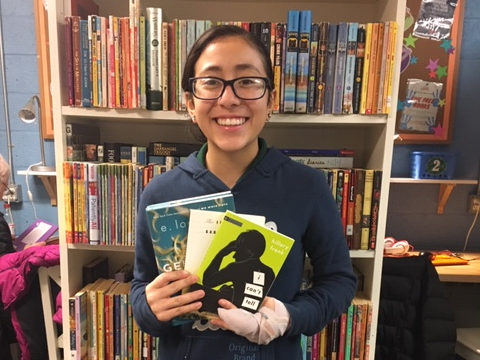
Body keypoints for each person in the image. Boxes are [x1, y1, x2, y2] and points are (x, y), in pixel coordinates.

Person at [130, 25, 357, 360]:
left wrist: (288, 318)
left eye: (247, 81)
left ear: (271, 100)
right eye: (211, 81)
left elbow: (338, 281)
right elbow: (141, 289)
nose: (229, 98)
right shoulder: (161, 192)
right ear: (190, 103)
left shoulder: (307, 187)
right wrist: (149, 309)